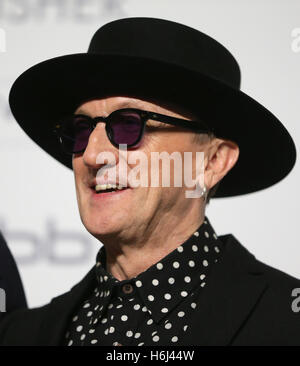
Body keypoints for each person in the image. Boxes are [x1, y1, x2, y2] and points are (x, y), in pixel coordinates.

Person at [0, 17, 299, 346]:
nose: (92, 155)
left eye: (129, 125)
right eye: (81, 130)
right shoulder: (22, 335)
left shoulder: (286, 322)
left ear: (212, 161)